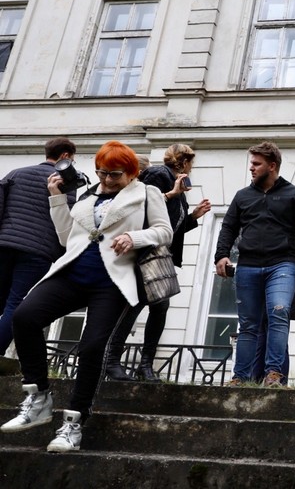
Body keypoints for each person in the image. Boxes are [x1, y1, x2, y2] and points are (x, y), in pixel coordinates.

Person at [0, 141, 172, 452]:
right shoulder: (88, 194)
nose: (107, 180)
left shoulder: (147, 193)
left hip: (112, 282)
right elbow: (67, 237)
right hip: (72, 274)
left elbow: (164, 231)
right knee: (24, 317)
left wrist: (134, 237)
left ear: (131, 173)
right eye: (102, 173)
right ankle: (38, 397)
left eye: (114, 174)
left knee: (92, 347)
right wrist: (56, 198)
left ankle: (73, 424)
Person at [106, 144, 211, 382]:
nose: (192, 168)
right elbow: (140, 205)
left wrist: (193, 216)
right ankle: (111, 361)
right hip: (144, 252)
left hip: (160, 255)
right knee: (135, 305)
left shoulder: (177, 185)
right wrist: (171, 194)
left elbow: (170, 227)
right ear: (185, 161)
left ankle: (145, 365)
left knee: (159, 307)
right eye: (191, 163)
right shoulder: (158, 174)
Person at [215, 141, 295, 387]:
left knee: (278, 313)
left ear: (272, 166)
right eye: (251, 163)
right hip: (247, 265)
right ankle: (240, 377)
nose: (251, 168)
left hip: (283, 265)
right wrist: (221, 255)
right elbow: (228, 227)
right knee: (248, 324)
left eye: (256, 164)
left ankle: (273, 374)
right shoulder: (242, 196)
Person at [0, 137, 78, 357]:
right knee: (16, 303)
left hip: (4, 245)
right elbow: (66, 219)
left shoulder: (16, 173)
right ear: (65, 156)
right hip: (38, 252)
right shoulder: (65, 182)